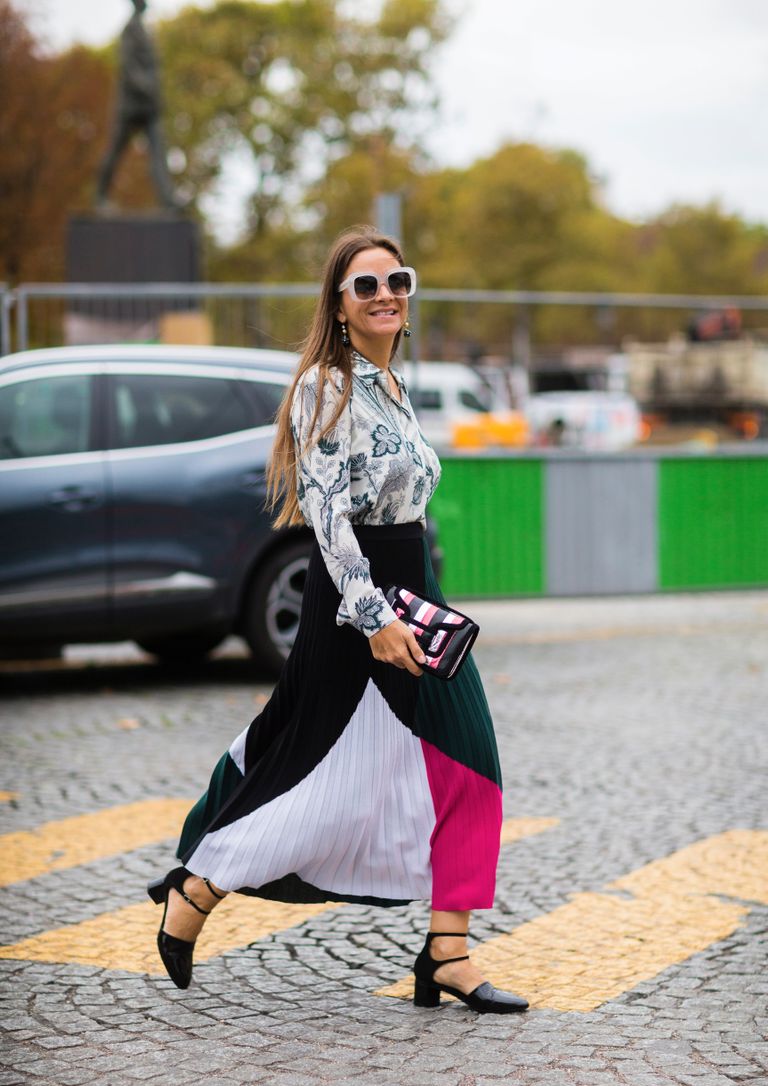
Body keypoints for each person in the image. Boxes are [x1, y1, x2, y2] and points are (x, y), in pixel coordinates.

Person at [148, 226, 529, 1015]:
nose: (386, 293)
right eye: (367, 285)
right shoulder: (326, 386)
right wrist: (371, 616)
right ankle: (196, 891)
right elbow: (325, 513)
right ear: (340, 304)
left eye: (398, 279)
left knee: (472, 771)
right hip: (355, 606)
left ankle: (447, 956)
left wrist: (410, 604)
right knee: (301, 767)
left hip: (411, 595)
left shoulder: (394, 385)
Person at [95, 0, 178, 210]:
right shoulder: (130, 29)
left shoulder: (145, 30)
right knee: (115, 150)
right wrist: (146, 87)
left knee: (159, 152)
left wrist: (154, 92)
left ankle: (168, 200)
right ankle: (100, 196)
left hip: (149, 106)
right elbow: (127, 65)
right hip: (130, 105)